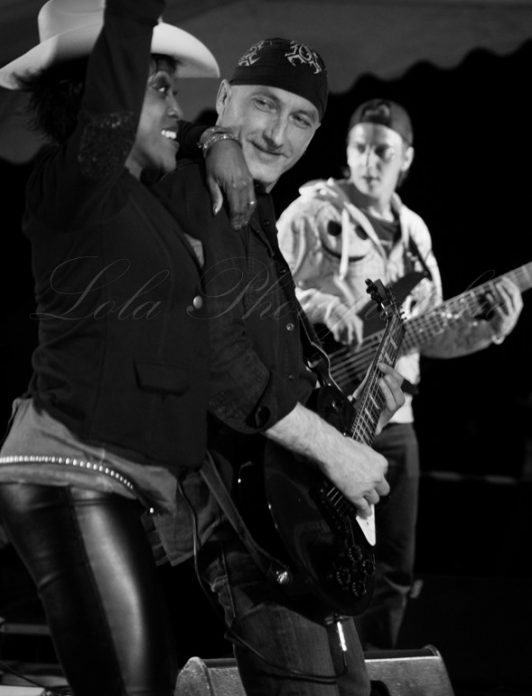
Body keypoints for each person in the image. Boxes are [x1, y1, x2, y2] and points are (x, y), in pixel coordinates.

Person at [0, 0, 256, 695]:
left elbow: (233, 198)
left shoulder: (152, 198)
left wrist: (220, 138)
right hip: (73, 475)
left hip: (134, 490)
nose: (178, 108)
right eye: (160, 90)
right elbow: (110, 115)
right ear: (97, 102)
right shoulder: (74, 186)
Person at [139, 44, 406, 696]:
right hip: (238, 518)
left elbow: (279, 371)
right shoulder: (196, 191)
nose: (276, 134)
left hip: (287, 514)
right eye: (263, 103)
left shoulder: (255, 210)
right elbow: (214, 356)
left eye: (300, 119)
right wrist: (335, 452)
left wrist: (354, 410)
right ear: (223, 97)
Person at [276, 97, 524, 650]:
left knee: (392, 563)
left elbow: (430, 331)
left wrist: (491, 329)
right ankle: (322, 667)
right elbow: (267, 293)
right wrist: (323, 306)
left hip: (396, 415)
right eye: (360, 148)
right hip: (329, 412)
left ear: (406, 158)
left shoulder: (414, 232)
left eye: (382, 152)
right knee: (322, 554)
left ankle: (379, 670)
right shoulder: (310, 213)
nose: (369, 161)